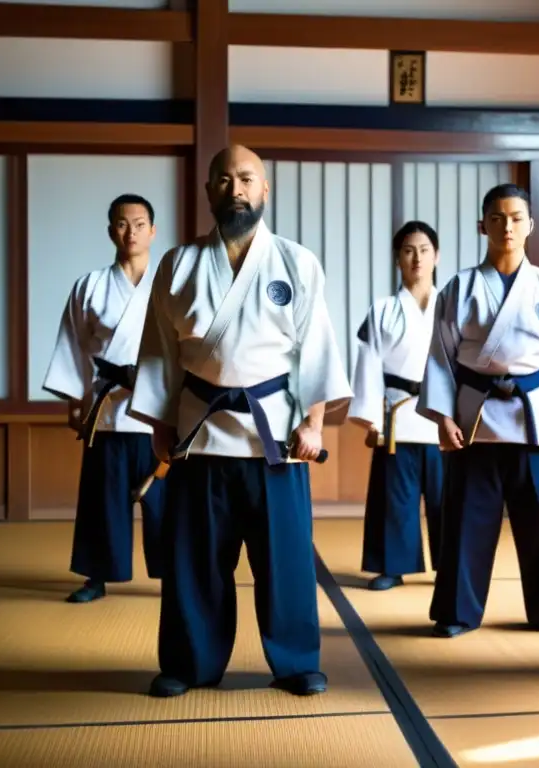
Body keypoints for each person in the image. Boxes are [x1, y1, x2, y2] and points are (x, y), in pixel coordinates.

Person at [129, 145, 352, 698]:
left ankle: (297, 662)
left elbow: (316, 351)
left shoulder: (297, 263)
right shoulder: (177, 264)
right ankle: (188, 663)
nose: (236, 189)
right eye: (224, 180)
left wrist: (315, 423)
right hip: (198, 435)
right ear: (208, 192)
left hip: (273, 438)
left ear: (265, 189)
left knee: (286, 562)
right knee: (195, 562)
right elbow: (158, 351)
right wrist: (160, 423)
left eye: (247, 178)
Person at [416, 183, 539, 638]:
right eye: (497, 218)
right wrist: (443, 417)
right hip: (475, 417)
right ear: (483, 226)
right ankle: (458, 611)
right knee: (466, 521)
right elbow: (441, 356)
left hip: (534, 416)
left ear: (530, 225)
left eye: (516, 217)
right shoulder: (460, 287)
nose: (507, 226)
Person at [42, 194, 166, 604]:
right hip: (108, 409)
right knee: (102, 496)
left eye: (139, 223)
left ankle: (177, 576)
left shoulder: (170, 286)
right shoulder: (90, 286)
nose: (130, 231)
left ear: (153, 229)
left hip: (157, 409)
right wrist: (75, 401)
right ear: (110, 230)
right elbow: (73, 345)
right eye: (121, 223)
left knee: (166, 498)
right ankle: (96, 575)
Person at [347, 220, 445, 591]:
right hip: (397, 415)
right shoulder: (383, 309)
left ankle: (450, 564)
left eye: (423, 250)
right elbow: (369, 364)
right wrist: (371, 420)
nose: (416, 258)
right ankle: (392, 564)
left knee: (447, 499)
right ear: (397, 259)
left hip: (441, 415)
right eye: (408, 251)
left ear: (436, 256)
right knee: (395, 498)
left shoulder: (450, 306)